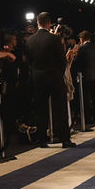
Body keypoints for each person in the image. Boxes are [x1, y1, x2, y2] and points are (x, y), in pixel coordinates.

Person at [26, 12, 76, 148]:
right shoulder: (54, 39)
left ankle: (42, 140)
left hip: (38, 78)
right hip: (54, 77)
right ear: (49, 23)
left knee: (40, 110)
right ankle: (64, 139)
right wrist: (58, 73)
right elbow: (62, 60)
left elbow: (29, 60)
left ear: (37, 23)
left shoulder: (30, 40)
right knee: (60, 109)